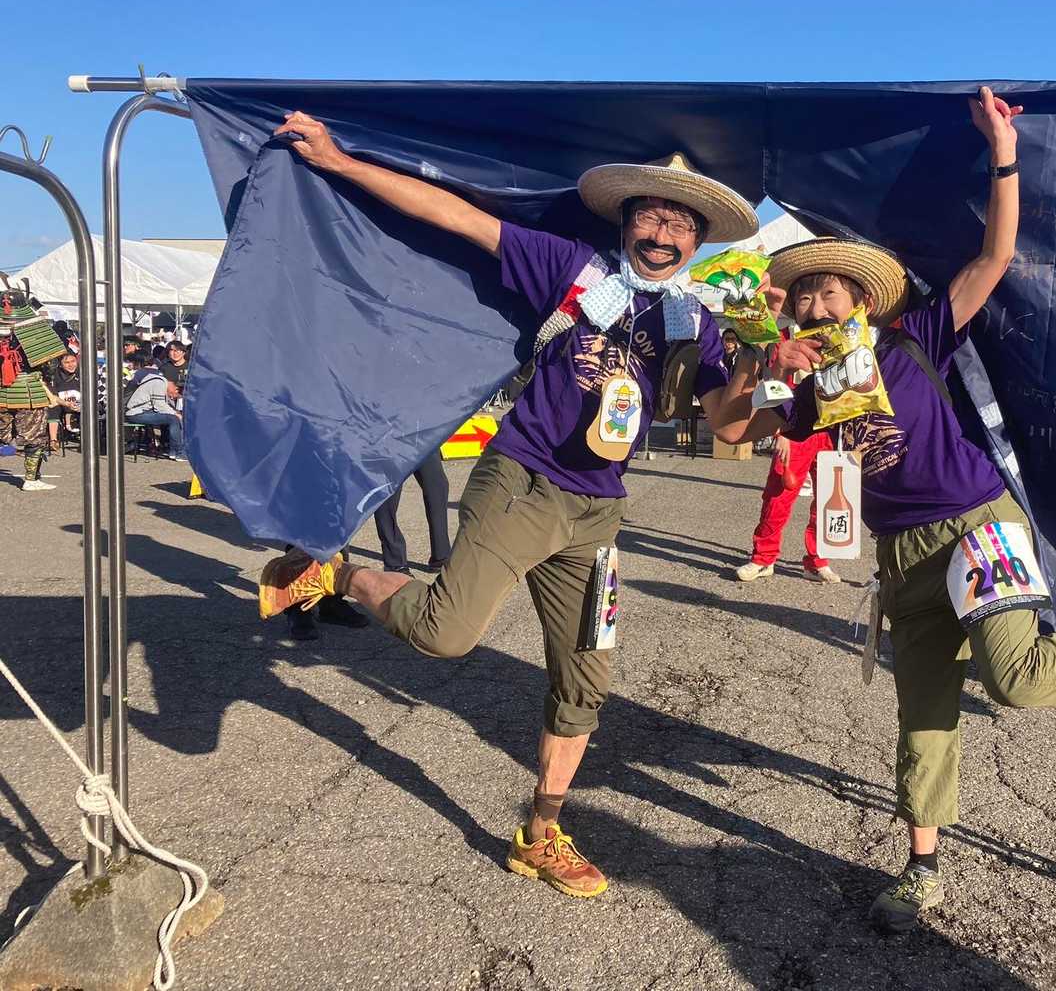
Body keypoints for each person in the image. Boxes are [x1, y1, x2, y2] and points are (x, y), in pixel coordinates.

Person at [713, 88, 1056, 934]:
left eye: (829, 293)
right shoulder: (809, 391)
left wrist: (1002, 152)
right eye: (803, 298)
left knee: (1016, 678)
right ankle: (921, 867)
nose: (815, 306)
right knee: (923, 713)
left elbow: (994, 256)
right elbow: (727, 430)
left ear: (862, 302)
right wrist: (759, 364)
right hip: (900, 555)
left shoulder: (914, 339)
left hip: (977, 523)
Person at [254, 112, 804, 899]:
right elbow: (455, 216)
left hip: (597, 512)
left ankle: (540, 835)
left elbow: (729, 424)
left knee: (585, 683)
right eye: (651, 215)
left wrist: (776, 374)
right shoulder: (574, 271)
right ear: (626, 220)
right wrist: (339, 162)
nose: (662, 233)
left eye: (681, 224)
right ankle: (334, 574)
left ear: (697, 241)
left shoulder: (697, 322)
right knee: (443, 634)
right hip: (522, 481)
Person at [733, 427, 840, 584]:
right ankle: (764, 559)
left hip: (834, 432)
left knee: (829, 502)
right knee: (777, 499)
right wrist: (781, 432)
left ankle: (817, 562)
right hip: (797, 430)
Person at [0, 283, 66, 491]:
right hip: (28, 390)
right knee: (35, 437)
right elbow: (50, 363)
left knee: (2, 435)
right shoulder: (35, 329)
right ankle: (31, 479)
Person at [373, 450, 453, 574]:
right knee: (387, 497)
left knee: (437, 486)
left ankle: (441, 556)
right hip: (387, 443)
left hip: (421, 440)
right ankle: (395, 563)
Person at [123, 360, 185, 459]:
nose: (172, 397)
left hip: (139, 411)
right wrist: (176, 413)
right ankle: (178, 452)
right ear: (176, 388)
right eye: (175, 395)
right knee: (173, 419)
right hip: (136, 413)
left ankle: (173, 450)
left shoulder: (159, 381)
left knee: (172, 417)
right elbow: (159, 406)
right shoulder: (159, 383)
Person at [47, 350, 83, 450]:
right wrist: (66, 404)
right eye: (67, 363)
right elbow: (53, 396)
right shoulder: (54, 375)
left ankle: (86, 440)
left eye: (73, 361)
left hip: (81, 402)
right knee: (52, 407)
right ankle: (53, 440)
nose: (71, 365)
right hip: (62, 402)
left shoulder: (83, 372)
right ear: (60, 364)